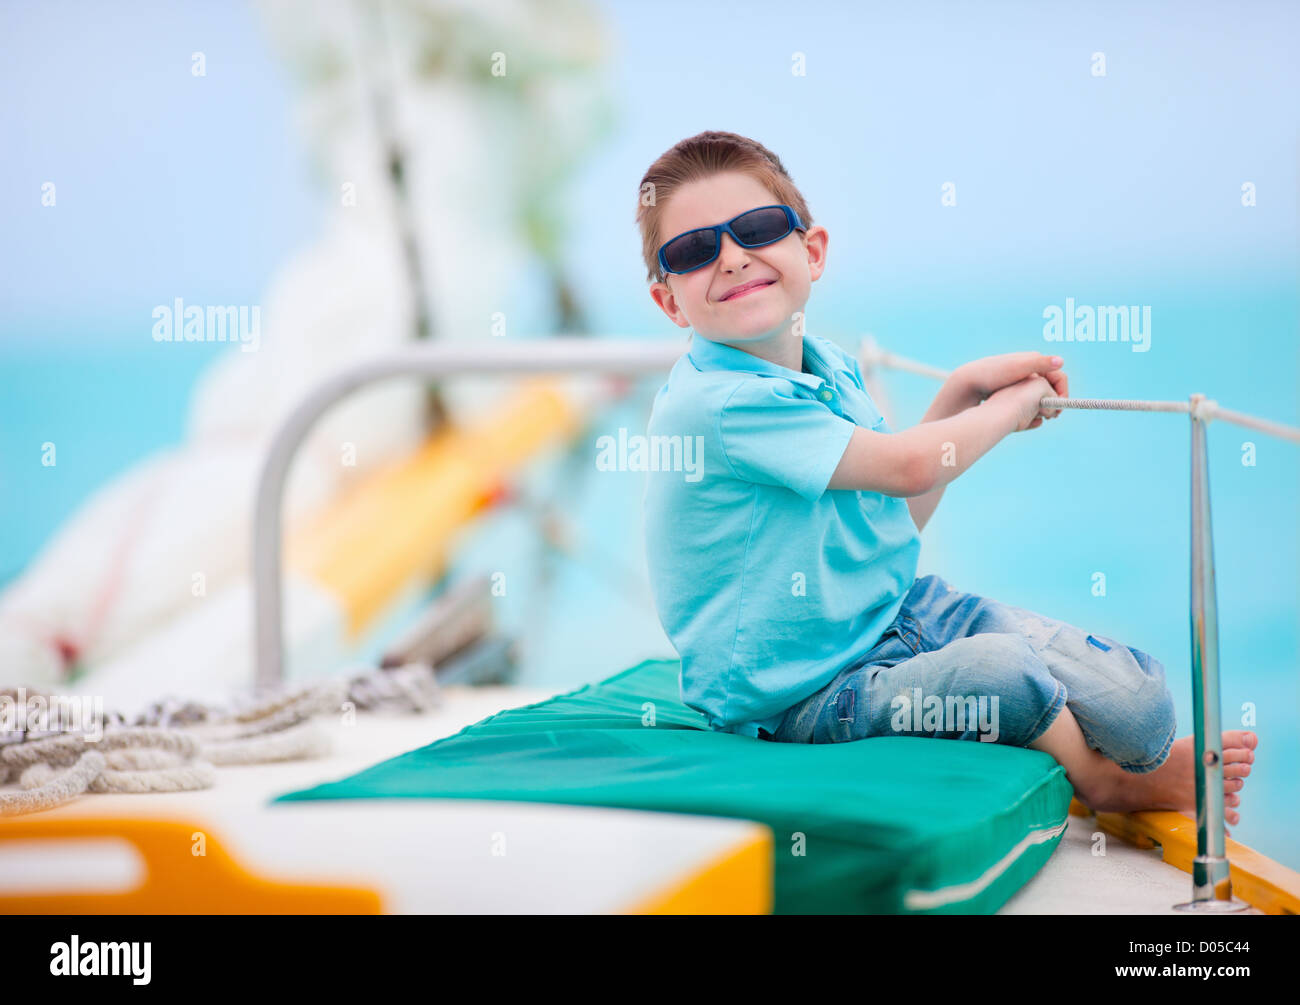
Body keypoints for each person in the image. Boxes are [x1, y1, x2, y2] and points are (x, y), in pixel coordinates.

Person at [637, 131, 1253, 827]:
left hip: (900, 613)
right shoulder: (715, 403)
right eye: (693, 250)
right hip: (802, 697)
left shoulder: (825, 365)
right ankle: (1101, 782)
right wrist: (1012, 407)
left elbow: (888, 518)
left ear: (811, 252)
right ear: (670, 302)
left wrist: (960, 392)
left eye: (756, 228)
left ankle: (1124, 755)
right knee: (999, 675)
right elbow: (908, 466)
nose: (731, 256)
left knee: (1140, 706)